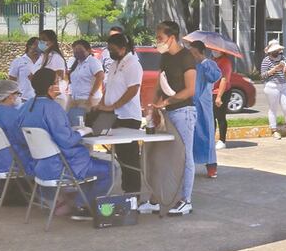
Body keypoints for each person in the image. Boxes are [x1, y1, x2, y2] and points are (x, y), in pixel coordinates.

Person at [19, 68, 113, 220]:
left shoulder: (27, 106)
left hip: (38, 164)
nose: (61, 84)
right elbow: (66, 141)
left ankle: (76, 202)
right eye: (57, 82)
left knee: (92, 168)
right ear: (50, 87)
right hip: (62, 165)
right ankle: (82, 206)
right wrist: (81, 132)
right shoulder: (52, 107)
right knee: (110, 169)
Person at [150, 21, 198, 216]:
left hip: (183, 112)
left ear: (172, 38)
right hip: (167, 112)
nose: (157, 42)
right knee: (162, 156)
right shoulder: (165, 58)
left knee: (185, 156)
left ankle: (186, 200)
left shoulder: (186, 57)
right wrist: (154, 105)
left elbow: (190, 90)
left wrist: (167, 102)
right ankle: (157, 199)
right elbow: (159, 84)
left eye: (160, 38)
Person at [93, 32, 143, 194]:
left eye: (113, 49)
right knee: (119, 154)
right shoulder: (114, 64)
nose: (110, 52)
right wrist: (102, 104)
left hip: (128, 116)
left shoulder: (133, 64)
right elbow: (110, 87)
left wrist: (114, 105)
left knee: (129, 156)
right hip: (112, 114)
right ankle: (126, 188)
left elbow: (133, 89)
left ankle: (133, 191)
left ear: (123, 48)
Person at [188, 40, 222, 179]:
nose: (192, 55)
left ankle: (211, 166)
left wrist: (203, 62)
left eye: (194, 53)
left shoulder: (209, 64)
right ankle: (189, 164)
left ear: (201, 52)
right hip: (191, 103)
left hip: (204, 104)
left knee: (206, 134)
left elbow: (215, 76)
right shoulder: (191, 65)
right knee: (191, 135)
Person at [0, 79, 32, 174]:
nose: (19, 97)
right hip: (13, 160)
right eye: (18, 94)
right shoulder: (11, 115)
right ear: (10, 96)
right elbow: (22, 139)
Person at [260, 40, 286, 139]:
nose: (277, 52)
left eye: (278, 50)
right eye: (275, 50)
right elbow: (262, 75)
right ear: (270, 51)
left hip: (283, 85)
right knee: (273, 108)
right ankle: (274, 130)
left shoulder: (283, 58)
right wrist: (273, 70)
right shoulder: (266, 60)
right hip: (271, 86)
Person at [66, 39, 104, 127]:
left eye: (80, 50)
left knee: (86, 126)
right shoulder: (75, 63)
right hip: (74, 98)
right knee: (72, 124)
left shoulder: (93, 62)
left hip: (87, 99)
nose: (77, 53)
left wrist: (91, 95)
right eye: (75, 51)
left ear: (88, 50)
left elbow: (100, 76)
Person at [7, 37, 40, 103]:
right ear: (29, 46)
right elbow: (11, 80)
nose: (38, 47)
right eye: (36, 44)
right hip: (23, 99)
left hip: (38, 99)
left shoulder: (42, 61)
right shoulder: (18, 61)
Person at [212, 50, 233, 149]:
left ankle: (222, 140)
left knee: (220, 116)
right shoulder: (214, 60)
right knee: (211, 117)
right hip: (212, 91)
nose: (213, 51)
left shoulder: (225, 62)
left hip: (222, 92)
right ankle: (211, 139)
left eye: (216, 50)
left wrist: (219, 97)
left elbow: (224, 79)